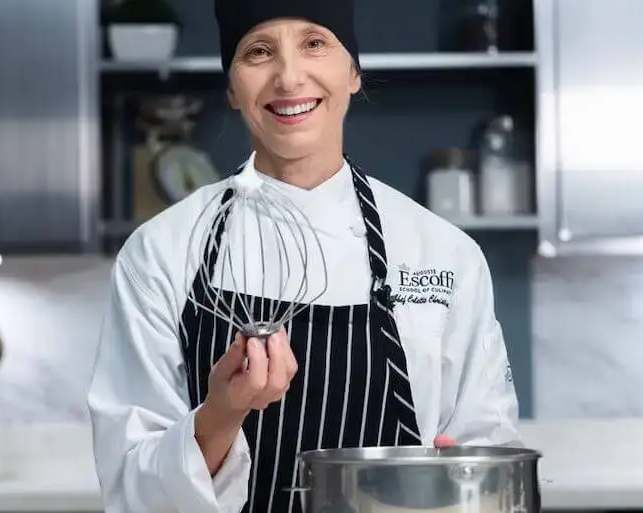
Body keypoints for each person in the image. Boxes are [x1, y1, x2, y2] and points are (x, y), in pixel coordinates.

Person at [86, 0, 522, 511]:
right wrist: (221, 416)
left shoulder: (444, 254)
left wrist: (459, 480)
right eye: (259, 52)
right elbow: (130, 486)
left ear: (353, 71)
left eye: (315, 43)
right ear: (231, 88)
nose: (289, 77)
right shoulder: (162, 253)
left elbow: (489, 457)